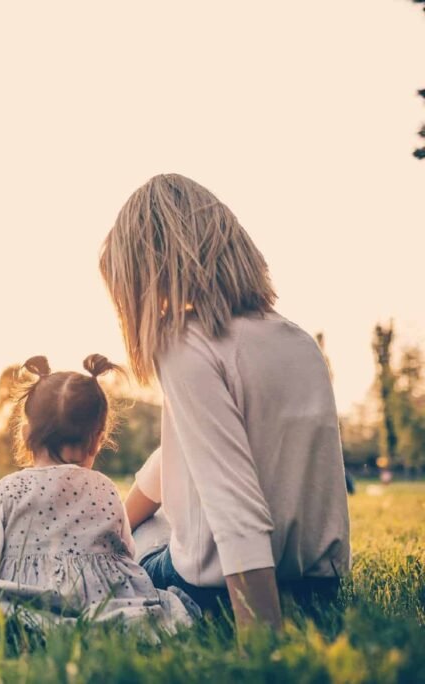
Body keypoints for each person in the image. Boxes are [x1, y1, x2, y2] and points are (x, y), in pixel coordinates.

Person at [99, 173, 351, 632]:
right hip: (319, 589)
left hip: (224, 593)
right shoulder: (298, 341)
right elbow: (201, 455)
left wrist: (261, 645)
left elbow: (236, 506)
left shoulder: (186, 343)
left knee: (134, 546)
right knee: (144, 525)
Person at [0, 355, 196, 632]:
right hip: (108, 601)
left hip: (31, 598)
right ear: (98, 439)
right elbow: (126, 554)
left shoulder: (4, 493)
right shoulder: (107, 489)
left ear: (25, 432)